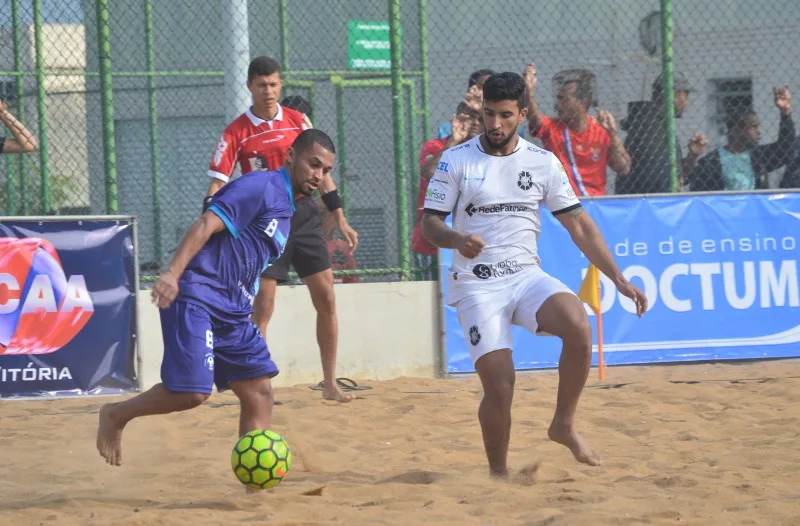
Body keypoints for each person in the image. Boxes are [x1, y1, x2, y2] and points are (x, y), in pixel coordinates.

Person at [421, 72, 647, 478]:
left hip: (526, 277)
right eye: (488, 114)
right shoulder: (457, 160)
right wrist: (456, 239)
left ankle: (563, 425)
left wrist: (618, 278)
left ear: (522, 114)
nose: (495, 124)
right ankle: (499, 474)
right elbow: (430, 224)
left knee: (578, 321)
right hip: (476, 285)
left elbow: (579, 225)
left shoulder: (542, 162)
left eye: (505, 115)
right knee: (501, 383)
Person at [96, 129, 337, 467]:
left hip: (234, 311)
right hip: (197, 295)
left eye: (325, 170)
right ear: (290, 156)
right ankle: (116, 414)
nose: (318, 176)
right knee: (192, 393)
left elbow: (250, 260)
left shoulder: (288, 210)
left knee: (260, 392)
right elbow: (205, 224)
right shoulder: (261, 187)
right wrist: (172, 274)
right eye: (313, 165)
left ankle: (255, 491)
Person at [205, 56, 359, 403]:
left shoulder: (296, 120)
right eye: (262, 85)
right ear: (250, 87)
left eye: (274, 84)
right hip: (263, 221)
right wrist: (209, 224)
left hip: (303, 218)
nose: (269, 91)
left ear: (281, 84)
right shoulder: (235, 132)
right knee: (264, 306)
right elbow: (217, 184)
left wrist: (339, 214)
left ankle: (330, 383)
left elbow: (322, 168)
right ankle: (257, 383)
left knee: (327, 298)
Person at [523, 63, 630, 196]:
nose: (558, 105)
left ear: (582, 103)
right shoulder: (553, 127)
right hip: (564, 207)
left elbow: (623, 168)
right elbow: (534, 118)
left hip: (594, 205)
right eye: (558, 99)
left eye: (564, 100)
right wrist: (529, 91)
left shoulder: (601, 129)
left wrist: (612, 134)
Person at [411, 101, 482, 279]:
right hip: (433, 245)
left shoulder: (489, 153)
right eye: (469, 116)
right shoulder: (437, 146)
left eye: (479, 117)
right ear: (457, 118)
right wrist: (453, 142)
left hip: (475, 244)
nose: (474, 122)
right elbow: (430, 173)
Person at [690, 86, 794, 191]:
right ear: (736, 131)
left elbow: (786, 150)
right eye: (754, 127)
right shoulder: (711, 162)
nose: (759, 132)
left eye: (758, 126)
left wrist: (785, 113)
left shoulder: (758, 157)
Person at [618, 72, 707, 194]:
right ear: (676, 93)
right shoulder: (650, 127)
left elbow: (676, 176)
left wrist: (692, 156)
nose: (686, 102)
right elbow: (657, 180)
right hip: (650, 207)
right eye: (686, 96)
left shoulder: (660, 125)